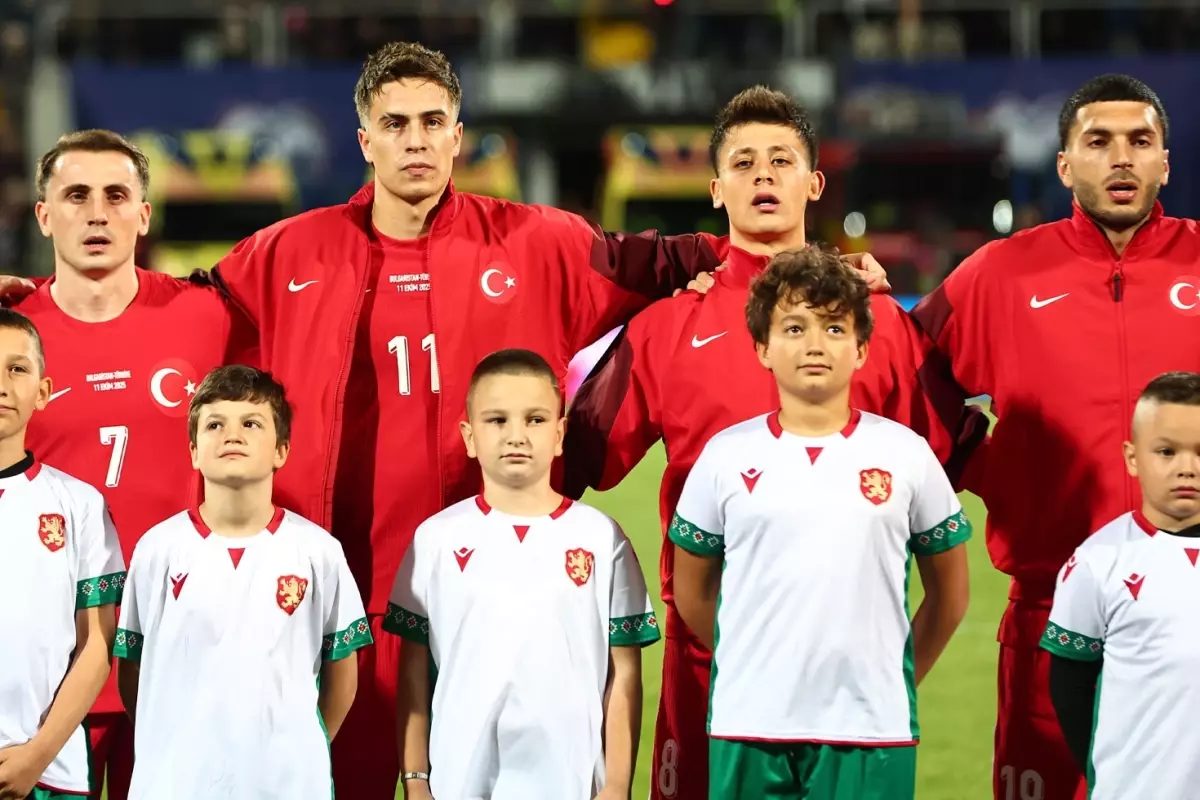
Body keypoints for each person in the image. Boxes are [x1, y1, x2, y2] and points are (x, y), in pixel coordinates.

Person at [562, 86, 984, 800]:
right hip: (709, 670)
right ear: (716, 189)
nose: (763, 174)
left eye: (782, 160)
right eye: (744, 162)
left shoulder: (879, 325)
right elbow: (570, 463)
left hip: (852, 683)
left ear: (813, 183)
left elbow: (959, 459)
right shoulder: (668, 328)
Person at [911, 73, 1200, 800]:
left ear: (1166, 162)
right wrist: (986, 464)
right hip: (1048, 609)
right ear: (1065, 165)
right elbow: (908, 372)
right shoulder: (1002, 275)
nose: (1122, 158)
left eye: (1140, 141)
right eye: (1099, 142)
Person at [672, 249, 970, 800]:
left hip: (870, 728)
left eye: (834, 327)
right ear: (763, 348)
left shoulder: (906, 453)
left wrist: (895, 675)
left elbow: (950, 595)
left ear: (861, 349)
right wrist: (755, 658)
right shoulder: (725, 456)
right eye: (794, 327)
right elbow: (692, 591)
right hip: (748, 721)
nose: (815, 344)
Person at [16, 129, 247, 799]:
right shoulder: (11, 337)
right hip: (45, 659)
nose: (97, 214)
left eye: (116, 196)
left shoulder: (208, 316)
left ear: (144, 215)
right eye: (76, 196)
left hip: (179, 647)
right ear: (44, 215)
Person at [388, 349, 659, 800]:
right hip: (461, 784)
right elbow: (413, 673)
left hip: (572, 785)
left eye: (535, 420)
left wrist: (616, 785)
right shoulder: (434, 540)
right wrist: (415, 780)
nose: (517, 436)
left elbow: (624, 673)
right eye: (497, 420)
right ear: (470, 436)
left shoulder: (600, 537)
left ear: (559, 434)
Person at [114, 365, 369, 799]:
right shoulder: (157, 549)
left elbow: (342, 672)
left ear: (281, 450)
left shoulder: (318, 552)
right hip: (178, 784)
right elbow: (134, 669)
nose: (232, 435)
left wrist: (300, 749)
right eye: (215, 425)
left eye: (251, 423)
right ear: (194, 452)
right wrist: (173, 743)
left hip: (287, 786)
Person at [1043, 371, 1200, 800]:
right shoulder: (1098, 561)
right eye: (1166, 452)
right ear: (1132, 458)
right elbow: (1070, 688)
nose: (1186, 468)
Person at [0, 309, 124, 800]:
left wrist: (38, 754)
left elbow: (96, 645)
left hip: (48, 770)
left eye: (17, 368)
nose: (1, 385)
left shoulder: (80, 504)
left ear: (44, 391)